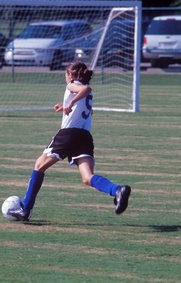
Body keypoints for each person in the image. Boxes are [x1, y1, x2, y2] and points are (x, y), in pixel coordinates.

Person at [7, 61, 131, 221]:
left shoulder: (72, 85)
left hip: (68, 134)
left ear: (70, 75)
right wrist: (66, 105)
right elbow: (88, 110)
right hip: (84, 136)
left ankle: (26, 209)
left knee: (39, 166)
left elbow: (86, 89)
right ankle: (117, 190)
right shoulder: (86, 95)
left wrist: (70, 103)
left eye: (66, 75)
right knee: (87, 177)